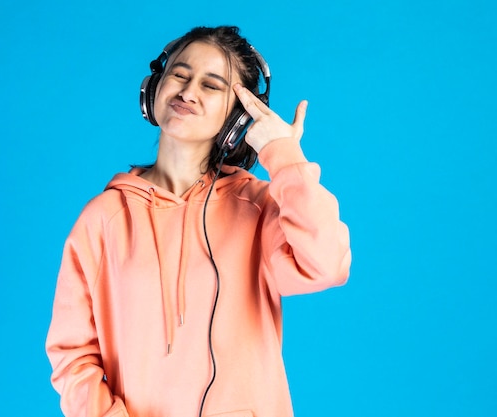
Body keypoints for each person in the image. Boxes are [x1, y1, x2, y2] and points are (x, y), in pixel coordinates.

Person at [45, 25, 351, 417]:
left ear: (238, 118)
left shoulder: (258, 207)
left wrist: (285, 158)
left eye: (211, 85)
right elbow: (72, 356)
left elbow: (327, 264)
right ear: (153, 87)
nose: (188, 91)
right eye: (179, 73)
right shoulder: (103, 219)